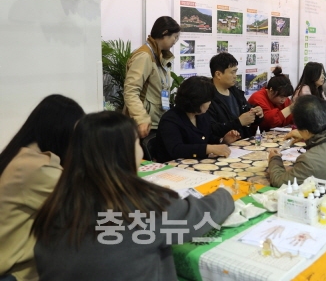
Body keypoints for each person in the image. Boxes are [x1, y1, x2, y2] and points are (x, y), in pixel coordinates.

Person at [33, 111, 234, 281]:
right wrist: (225, 193)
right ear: (125, 152)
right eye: (137, 143)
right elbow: (197, 217)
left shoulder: (56, 205)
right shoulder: (140, 206)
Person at [0, 95, 85, 281]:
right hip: (17, 274)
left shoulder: (20, 155)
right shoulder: (35, 168)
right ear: (61, 132)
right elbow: (84, 203)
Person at [267, 95, 326, 187]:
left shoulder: (309, 160)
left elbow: (279, 181)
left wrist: (274, 159)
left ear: (304, 130)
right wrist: (305, 136)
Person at [155, 76, 240, 162]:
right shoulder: (170, 120)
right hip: (173, 166)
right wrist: (208, 149)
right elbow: (176, 149)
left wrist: (222, 140)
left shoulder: (201, 115)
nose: (210, 103)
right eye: (208, 100)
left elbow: (207, 137)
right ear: (197, 101)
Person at [123, 16, 180, 141]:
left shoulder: (160, 56)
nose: (175, 41)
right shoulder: (144, 56)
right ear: (165, 33)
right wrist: (141, 118)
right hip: (142, 125)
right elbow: (131, 91)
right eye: (175, 37)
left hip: (154, 121)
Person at [207, 52, 263, 139]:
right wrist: (239, 122)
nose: (235, 76)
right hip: (223, 145)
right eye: (232, 72)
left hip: (244, 141)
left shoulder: (236, 92)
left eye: (235, 72)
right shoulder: (207, 98)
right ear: (218, 74)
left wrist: (257, 113)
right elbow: (211, 129)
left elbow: (249, 116)